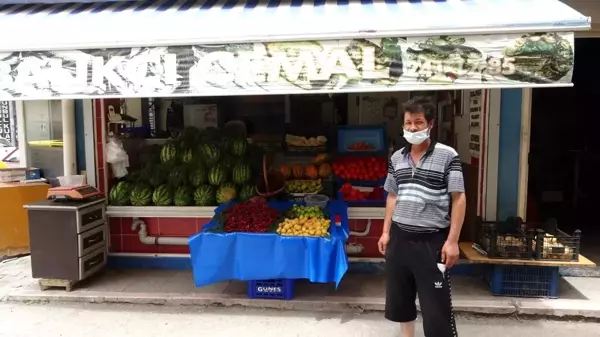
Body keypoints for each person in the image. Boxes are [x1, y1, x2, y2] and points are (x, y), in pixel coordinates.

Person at [379, 97, 466, 337]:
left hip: (432, 242)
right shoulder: (397, 157)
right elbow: (392, 196)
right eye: (408, 123)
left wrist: (452, 241)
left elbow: (458, 198)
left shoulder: (448, 156)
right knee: (400, 300)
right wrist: (386, 232)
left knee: (435, 304)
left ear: (430, 124)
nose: (412, 128)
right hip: (399, 239)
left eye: (418, 122)